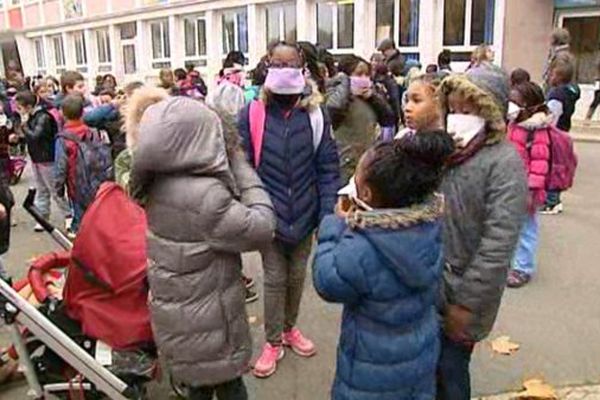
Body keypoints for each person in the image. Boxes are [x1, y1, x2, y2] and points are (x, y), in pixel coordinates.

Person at [131, 96, 276, 400]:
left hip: (179, 323)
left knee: (196, 388)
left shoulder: (156, 183)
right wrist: (239, 164)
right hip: (213, 330)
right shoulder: (207, 196)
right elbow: (263, 227)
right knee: (230, 389)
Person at [313, 132, 453, 400]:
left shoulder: (362, 247)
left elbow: (327, 280)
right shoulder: (429, 224)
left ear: (365, 193)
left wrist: (335, 224)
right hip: (419, 359)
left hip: (370, 375)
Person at [238, 41, 340, 378]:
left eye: (290, 63)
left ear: (302, 67)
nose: (283, 69)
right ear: (267, 65)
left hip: (306, 215)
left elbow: (327, 168)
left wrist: (326, 215)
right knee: (275, 279)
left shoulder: (315, 114)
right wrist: (255, 209)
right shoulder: (251, 113)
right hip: (269, 218)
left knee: (297, 277)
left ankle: (289, 329)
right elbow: (243, 169)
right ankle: (272, 342)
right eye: (277, 63)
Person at [436, 67, 528, 399]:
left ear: (489, 112)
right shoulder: (448, 152)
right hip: (431, 284)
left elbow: (498, 244)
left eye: (468, 110)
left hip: (464, 294)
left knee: (451, 373)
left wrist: (467, 304)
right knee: (430, 370)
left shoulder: (505, 162)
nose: (458, 117)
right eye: (454, 109)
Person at [505, 82, 552, 288]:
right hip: (510, 185)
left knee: (526, 228)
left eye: (516, 102)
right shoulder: (513, 124)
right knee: (510, 226)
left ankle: (523, 267)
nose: (511, 105)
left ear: (530, 105)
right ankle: (512, 262)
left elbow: (540, 164)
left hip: (528, 189)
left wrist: (531, 191)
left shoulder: (537, 130)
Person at [326, 55, 395, 181]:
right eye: (358, 74)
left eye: (366, 75)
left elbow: (388, 118)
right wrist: (344, 86)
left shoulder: (371, 97)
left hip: (366, 161)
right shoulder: (337, 95)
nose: (363, 79)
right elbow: (334, 109)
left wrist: (374, 98)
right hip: (344, 163)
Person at [14, 91, 70, 230]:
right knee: (42, 189)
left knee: (54, 189)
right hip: (37, 158)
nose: (17, 109)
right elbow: (31, 137)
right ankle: (42, 217)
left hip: (47, 159)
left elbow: (36, 136)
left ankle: (69, 215)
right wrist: (19, 138)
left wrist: (24, 125)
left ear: (27, 106)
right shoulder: (34, 117)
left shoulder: (43, 117)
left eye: (19, 107)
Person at [54, 94, 105, 234]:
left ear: (62, 114)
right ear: (83, 112)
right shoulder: (93, 133)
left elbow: (60, 166)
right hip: (95, 180)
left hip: (75, 183)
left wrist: (58, 188)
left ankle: (81, 241)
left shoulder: (63, 138)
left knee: (80, 215)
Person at [543, 58, 580, 215]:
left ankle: (551, 201)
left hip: (555, 133)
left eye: (552, 74)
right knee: (560, 166)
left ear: (557, 76)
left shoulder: (557, 94)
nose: (549, 77)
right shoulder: (572, 90)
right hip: (565, 131)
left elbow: (552, 115)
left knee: (553, 167)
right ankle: (554, 199)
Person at [396, 74, 444, 139]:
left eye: (416, 100)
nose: (407, 108)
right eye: (407, 101)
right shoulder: (402, 137)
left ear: (437, 102)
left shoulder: (453, 142)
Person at [371, 53, 401, 129]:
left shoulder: (387, 81)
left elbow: (395, 99)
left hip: (382, 117)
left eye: (376, 61)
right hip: (386, 117)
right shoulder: (389, 80)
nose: (373, 63)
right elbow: (395, 100)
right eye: (372, 61)